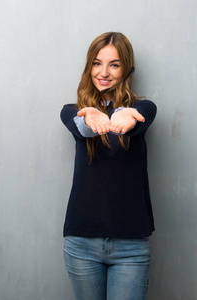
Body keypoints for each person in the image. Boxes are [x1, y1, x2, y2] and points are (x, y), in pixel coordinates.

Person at [60, 32, 157, 300]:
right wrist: (91, 114)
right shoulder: (72, 110)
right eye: (97, 63)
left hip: (131, 246)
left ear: (126, 68)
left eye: (114, 64)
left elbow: (137, 121)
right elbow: (83, 128)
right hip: (81, 243)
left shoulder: (143, 108)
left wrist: (123, 114)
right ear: (88, 66)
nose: (104, 72)